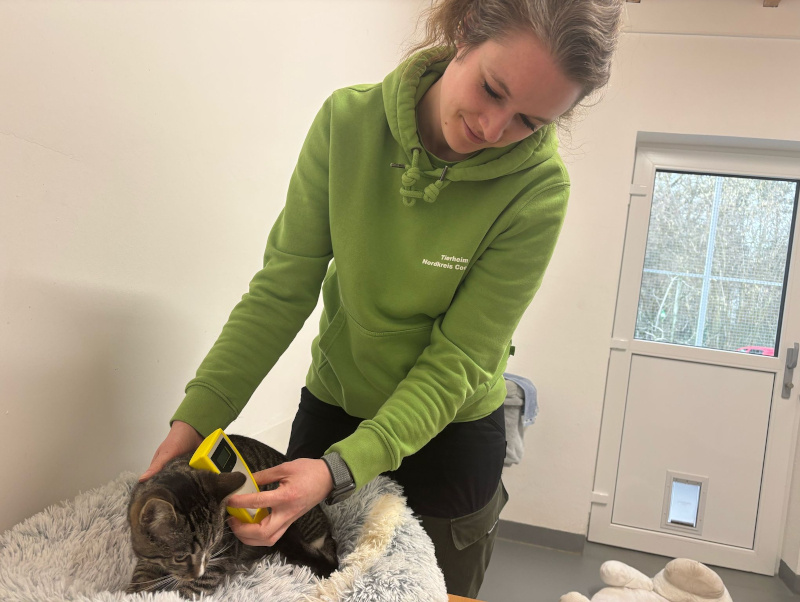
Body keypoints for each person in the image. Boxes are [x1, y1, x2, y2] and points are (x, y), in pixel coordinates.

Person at [139, 0, 624, 596]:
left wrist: (337, 471)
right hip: (338, 402)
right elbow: (281, 290)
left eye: (529, 120)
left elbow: (460, 359)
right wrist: (197, 417)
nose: (494, 130)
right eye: (493, 90)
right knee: (301, 583)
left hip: (452, 432)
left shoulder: (540, 189)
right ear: (466, 29)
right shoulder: (347, 123)